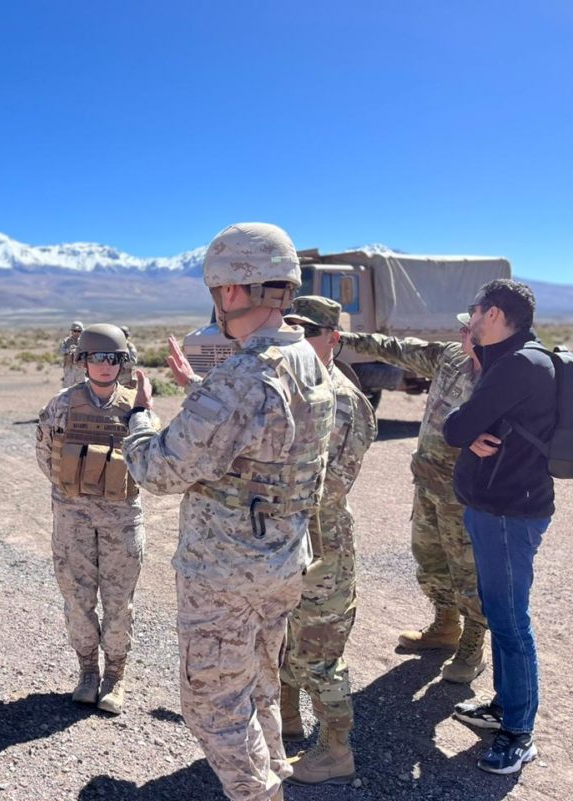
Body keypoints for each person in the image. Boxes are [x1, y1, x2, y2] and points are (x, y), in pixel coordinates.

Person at [124, 222, 335, 801]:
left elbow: (160, 470)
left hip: (226, 574)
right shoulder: (308, 360)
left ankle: (258, 793)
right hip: (282, 561)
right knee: (258, 686)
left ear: (233, 291)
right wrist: (201, 390)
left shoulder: (247, 373)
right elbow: (259, 443)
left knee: (213, 707)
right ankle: (275, 778)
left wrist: (139, 420)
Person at [443, 279, 556, 775]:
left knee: (511, 621)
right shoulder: (516, 359)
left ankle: (519, 732)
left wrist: (464, 429)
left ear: (492, 314)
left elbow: (458, 428)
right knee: (501, 611)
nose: (468, 320)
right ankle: (504, 709)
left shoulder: (517, 365)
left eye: (473, 312)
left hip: (510, 513)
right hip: (501, 507)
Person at [339, 316, 486, 684]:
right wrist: (346, 338)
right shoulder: (449, 356)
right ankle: (446, 626)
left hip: (466, 493)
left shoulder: (502, 375)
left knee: (468, 570)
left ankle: (472, 645)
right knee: (430, 560)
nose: (462, 332)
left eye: (470, 328)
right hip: (428, 482)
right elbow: (397, 348)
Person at [276, 297, 376, 785]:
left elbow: (326, 488)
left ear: (333, 338)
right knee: (285, 640)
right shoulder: (295, 387)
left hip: (321, 545)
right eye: (289, 328)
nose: (297, 338)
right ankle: (287, 722)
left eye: (308, 330)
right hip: (288, 539)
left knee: (317, 651)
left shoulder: (340, 400)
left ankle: (336, 751)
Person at [35, 323, 153, 715]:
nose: (105, 366)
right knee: (78, 599)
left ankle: (115, 676)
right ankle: (87, 672)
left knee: (119, 602)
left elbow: (150, 458)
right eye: (97, 358)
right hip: (73, 517)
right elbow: (45, 454)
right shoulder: (62, 404)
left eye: (113, 359)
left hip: (122, 519)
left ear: (123, 362)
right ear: (83, 361)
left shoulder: (136, 407)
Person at [60, 321, 85, 386]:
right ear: (72, 331)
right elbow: (61, 351)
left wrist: (78, 350)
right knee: (67, 389)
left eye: (79, 331)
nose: (77, 333)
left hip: (80, 369)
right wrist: (69, 350)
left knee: (81, 388)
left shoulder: (83, 342)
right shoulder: (66, 341)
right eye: (75, 331)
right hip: (69, 368)